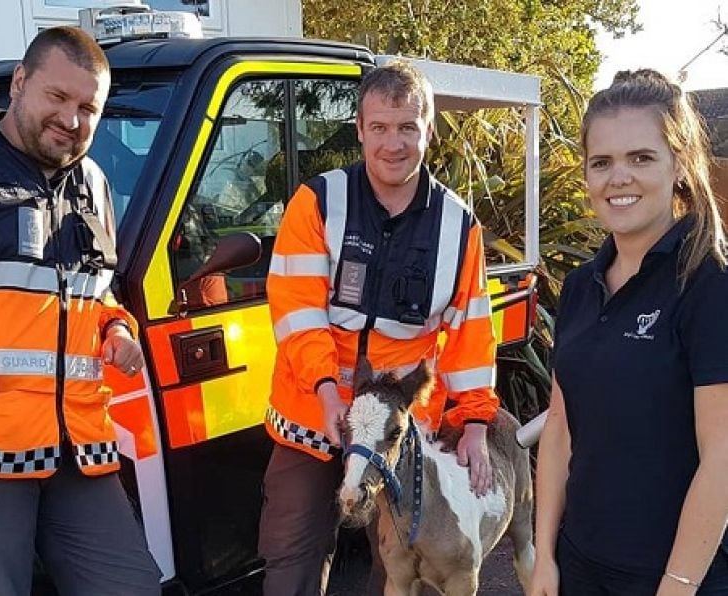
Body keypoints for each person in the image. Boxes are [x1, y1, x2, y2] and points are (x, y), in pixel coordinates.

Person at [0, 27, 161, 596]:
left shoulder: (95, 185)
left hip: (77, 448)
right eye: (57, 97)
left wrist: (115, 326)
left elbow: (93, 291)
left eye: (88, 107)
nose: (72, 118)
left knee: (132, 587)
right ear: (19, 83)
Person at [259, 59, 500, 595]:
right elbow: (297, 310)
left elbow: (471, 332)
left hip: (399, 433)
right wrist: (327, 392)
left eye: (408, 127)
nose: (394, 144)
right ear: (360, 130)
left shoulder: (460, 227)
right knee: (292, 556)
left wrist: (477, 422)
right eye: (380, 128)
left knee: (396, 565)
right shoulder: (318, 202)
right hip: (312, 417)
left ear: (429, 130)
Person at [531, 69, 728, 596]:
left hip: (672, 578)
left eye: (641, 158)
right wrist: (544, 557)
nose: (619, 178)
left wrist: (678, 584)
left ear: (680, 165)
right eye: (602, 162)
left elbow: (723, 454)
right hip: (578, 568)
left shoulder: (709, 285)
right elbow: (559, 431)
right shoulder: (577, 286)